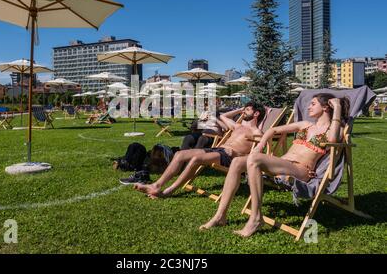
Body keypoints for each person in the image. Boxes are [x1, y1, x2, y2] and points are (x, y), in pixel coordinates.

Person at [200, 93, 349, 237]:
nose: (308, 107)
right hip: (283, 164)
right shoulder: (305, 125)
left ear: (325, 108)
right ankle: (220, 215)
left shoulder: (335, 130)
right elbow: (273, 130)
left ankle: (256, 218)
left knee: (254, 160)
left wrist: (337, 107)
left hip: (300, 170)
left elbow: (333, 138)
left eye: (313, 104)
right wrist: (260, 145)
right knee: (238, 162)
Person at [133, 103, 266, 199]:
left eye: (247, 110)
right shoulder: (237, 126)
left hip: (229, 157)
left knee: (196, 159)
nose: (244, 112)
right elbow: (223, 116)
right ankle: (156, 185)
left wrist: (241, 156)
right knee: (179, 154)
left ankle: (168, 191)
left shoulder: (257, 132)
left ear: (256, 113)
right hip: (217, 150)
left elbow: (261, 149)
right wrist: (240, 109)